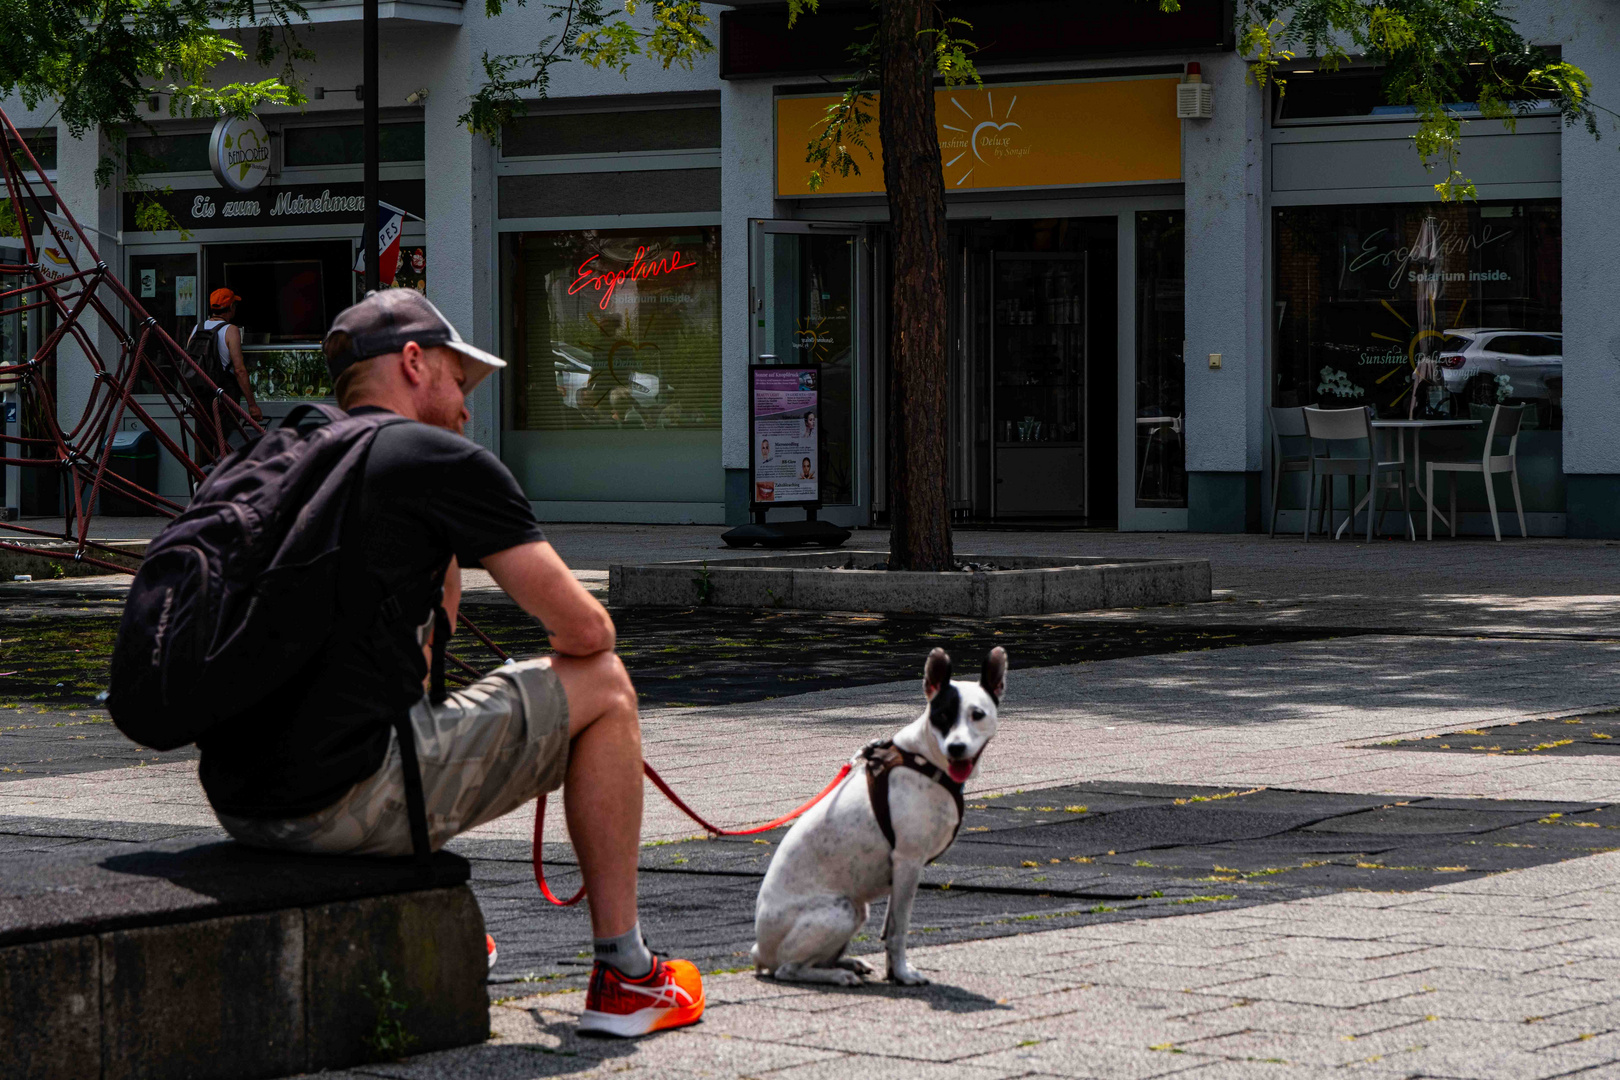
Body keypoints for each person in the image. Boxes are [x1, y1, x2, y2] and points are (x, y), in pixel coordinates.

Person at [195, 289, 703, 1038]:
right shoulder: (434, 458)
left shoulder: (283, 456)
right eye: (459, 384)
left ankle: (456, 929)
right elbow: (588, 631)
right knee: (605, 689)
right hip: (337, 804)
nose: (467, 411)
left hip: (240, 801)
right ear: (412, 363)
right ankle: (628, 975)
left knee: (417, 711)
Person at [190, 288, 264, 428]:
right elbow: (239, 370)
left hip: (201, 394)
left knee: (203, 438)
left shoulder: (197, 328)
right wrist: (252, 405)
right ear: (231, 307)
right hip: (223, 395)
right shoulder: (230, 330)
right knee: (225, 439)